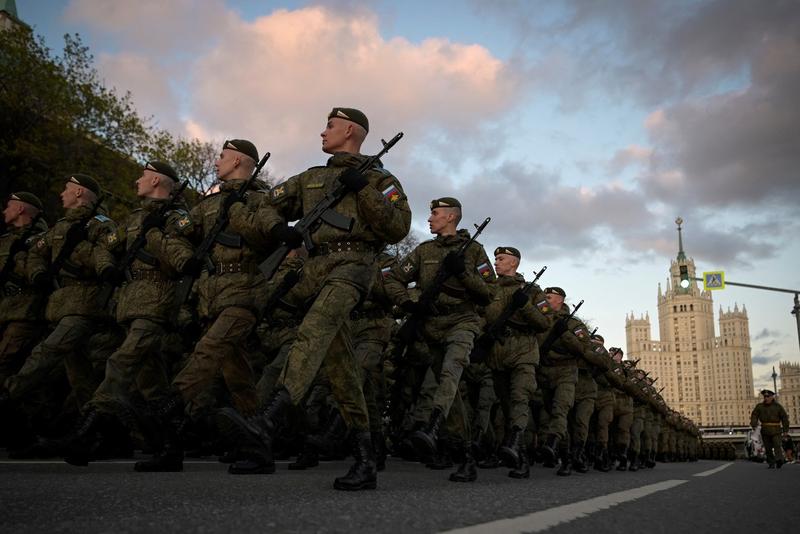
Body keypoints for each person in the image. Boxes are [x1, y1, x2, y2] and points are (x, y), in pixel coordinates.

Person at [221, 108, 411, 491]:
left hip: (354, 267)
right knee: (341, 370)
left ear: (351, 131)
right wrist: (277, 228)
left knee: (314, 330)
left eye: (329, 126)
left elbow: (398, 226)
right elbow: (266, 206)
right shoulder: (310, 178)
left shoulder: (379, 179)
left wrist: (364, 191)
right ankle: (364, 458)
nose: (322, 132)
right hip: (315, 270)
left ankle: (268, 418)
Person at [136, 139, 282, 473]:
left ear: (238, 161)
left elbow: (267, 236)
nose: (217, 161)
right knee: (238, 377)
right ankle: (257, 447)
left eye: (222, 156)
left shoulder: (261, 200)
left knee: (207, 351)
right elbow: (179, 233)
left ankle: (170, 406)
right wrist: (167, 243)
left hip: (244, 293)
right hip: (212, 296)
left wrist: (238, 209)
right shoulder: (208, 204)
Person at [60, 161, 195, 465]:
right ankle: (171, 445)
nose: (137, 181)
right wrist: (105, 264)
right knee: (151, 382)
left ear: (158, 181)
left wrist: (155, 234)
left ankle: (90, 427)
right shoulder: (134, 218)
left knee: (120, 363)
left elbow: (181, 260)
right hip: (131, 303)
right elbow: (105, 245)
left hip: (158, 302)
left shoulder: (176, 219)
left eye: (143, 176)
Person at [384, 197, 494, 482]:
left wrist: (465, 273)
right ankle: (467, 454)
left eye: (434, 214)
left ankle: (433, 427)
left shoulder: (474, 252)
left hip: (462, 321)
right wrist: (408, 305)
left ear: (451, 217)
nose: (429, 219)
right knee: (452, 392)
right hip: (430, 324)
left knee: (451, 371)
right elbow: (394, 279)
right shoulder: (424, 251)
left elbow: (489, 294)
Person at [5, 175, 118, 414]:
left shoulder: (100, 224)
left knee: (47, 352)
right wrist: (37, 272)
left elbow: (107, 257)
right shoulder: (60, 227)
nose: (61, 194)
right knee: (79, 374)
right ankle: (92, 423)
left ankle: (8, 394)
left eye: (67, 189)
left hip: (85, 304)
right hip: (61, 305)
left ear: (79, 193)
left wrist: (79, 251)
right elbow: (36, 253)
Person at [480, 246, 550, 478]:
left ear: (513, 263)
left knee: (520, 398)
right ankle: (508, 452)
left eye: (501, 259)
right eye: (496, 258)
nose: (496, 262)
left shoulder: (532, 291)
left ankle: (519, 456)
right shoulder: (490, 287)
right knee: (505, 405)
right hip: (497, 353)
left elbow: (544, 323)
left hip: (523, 352)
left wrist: (525, 305)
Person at [0, 192, 49, 387]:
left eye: (9, 206)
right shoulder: (6, 239)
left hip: (25, 313)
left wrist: (18, 260)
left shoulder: (42, 240)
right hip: (5, 309)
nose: (5, 210)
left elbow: (37, 273)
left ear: (20, 209)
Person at [750, 389, 790, 469]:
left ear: (772, 397)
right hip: (765, 430)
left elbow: (784, 418)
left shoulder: (778, 406)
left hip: (776, 430)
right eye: (765, 396)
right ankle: (771, 462)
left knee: (777, 445)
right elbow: (754, 415)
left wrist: (785, 430)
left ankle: (779, 460)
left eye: (768, 396)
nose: (766, 398)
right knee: (767, 447)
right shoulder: (760, 407)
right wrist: (754, 424)